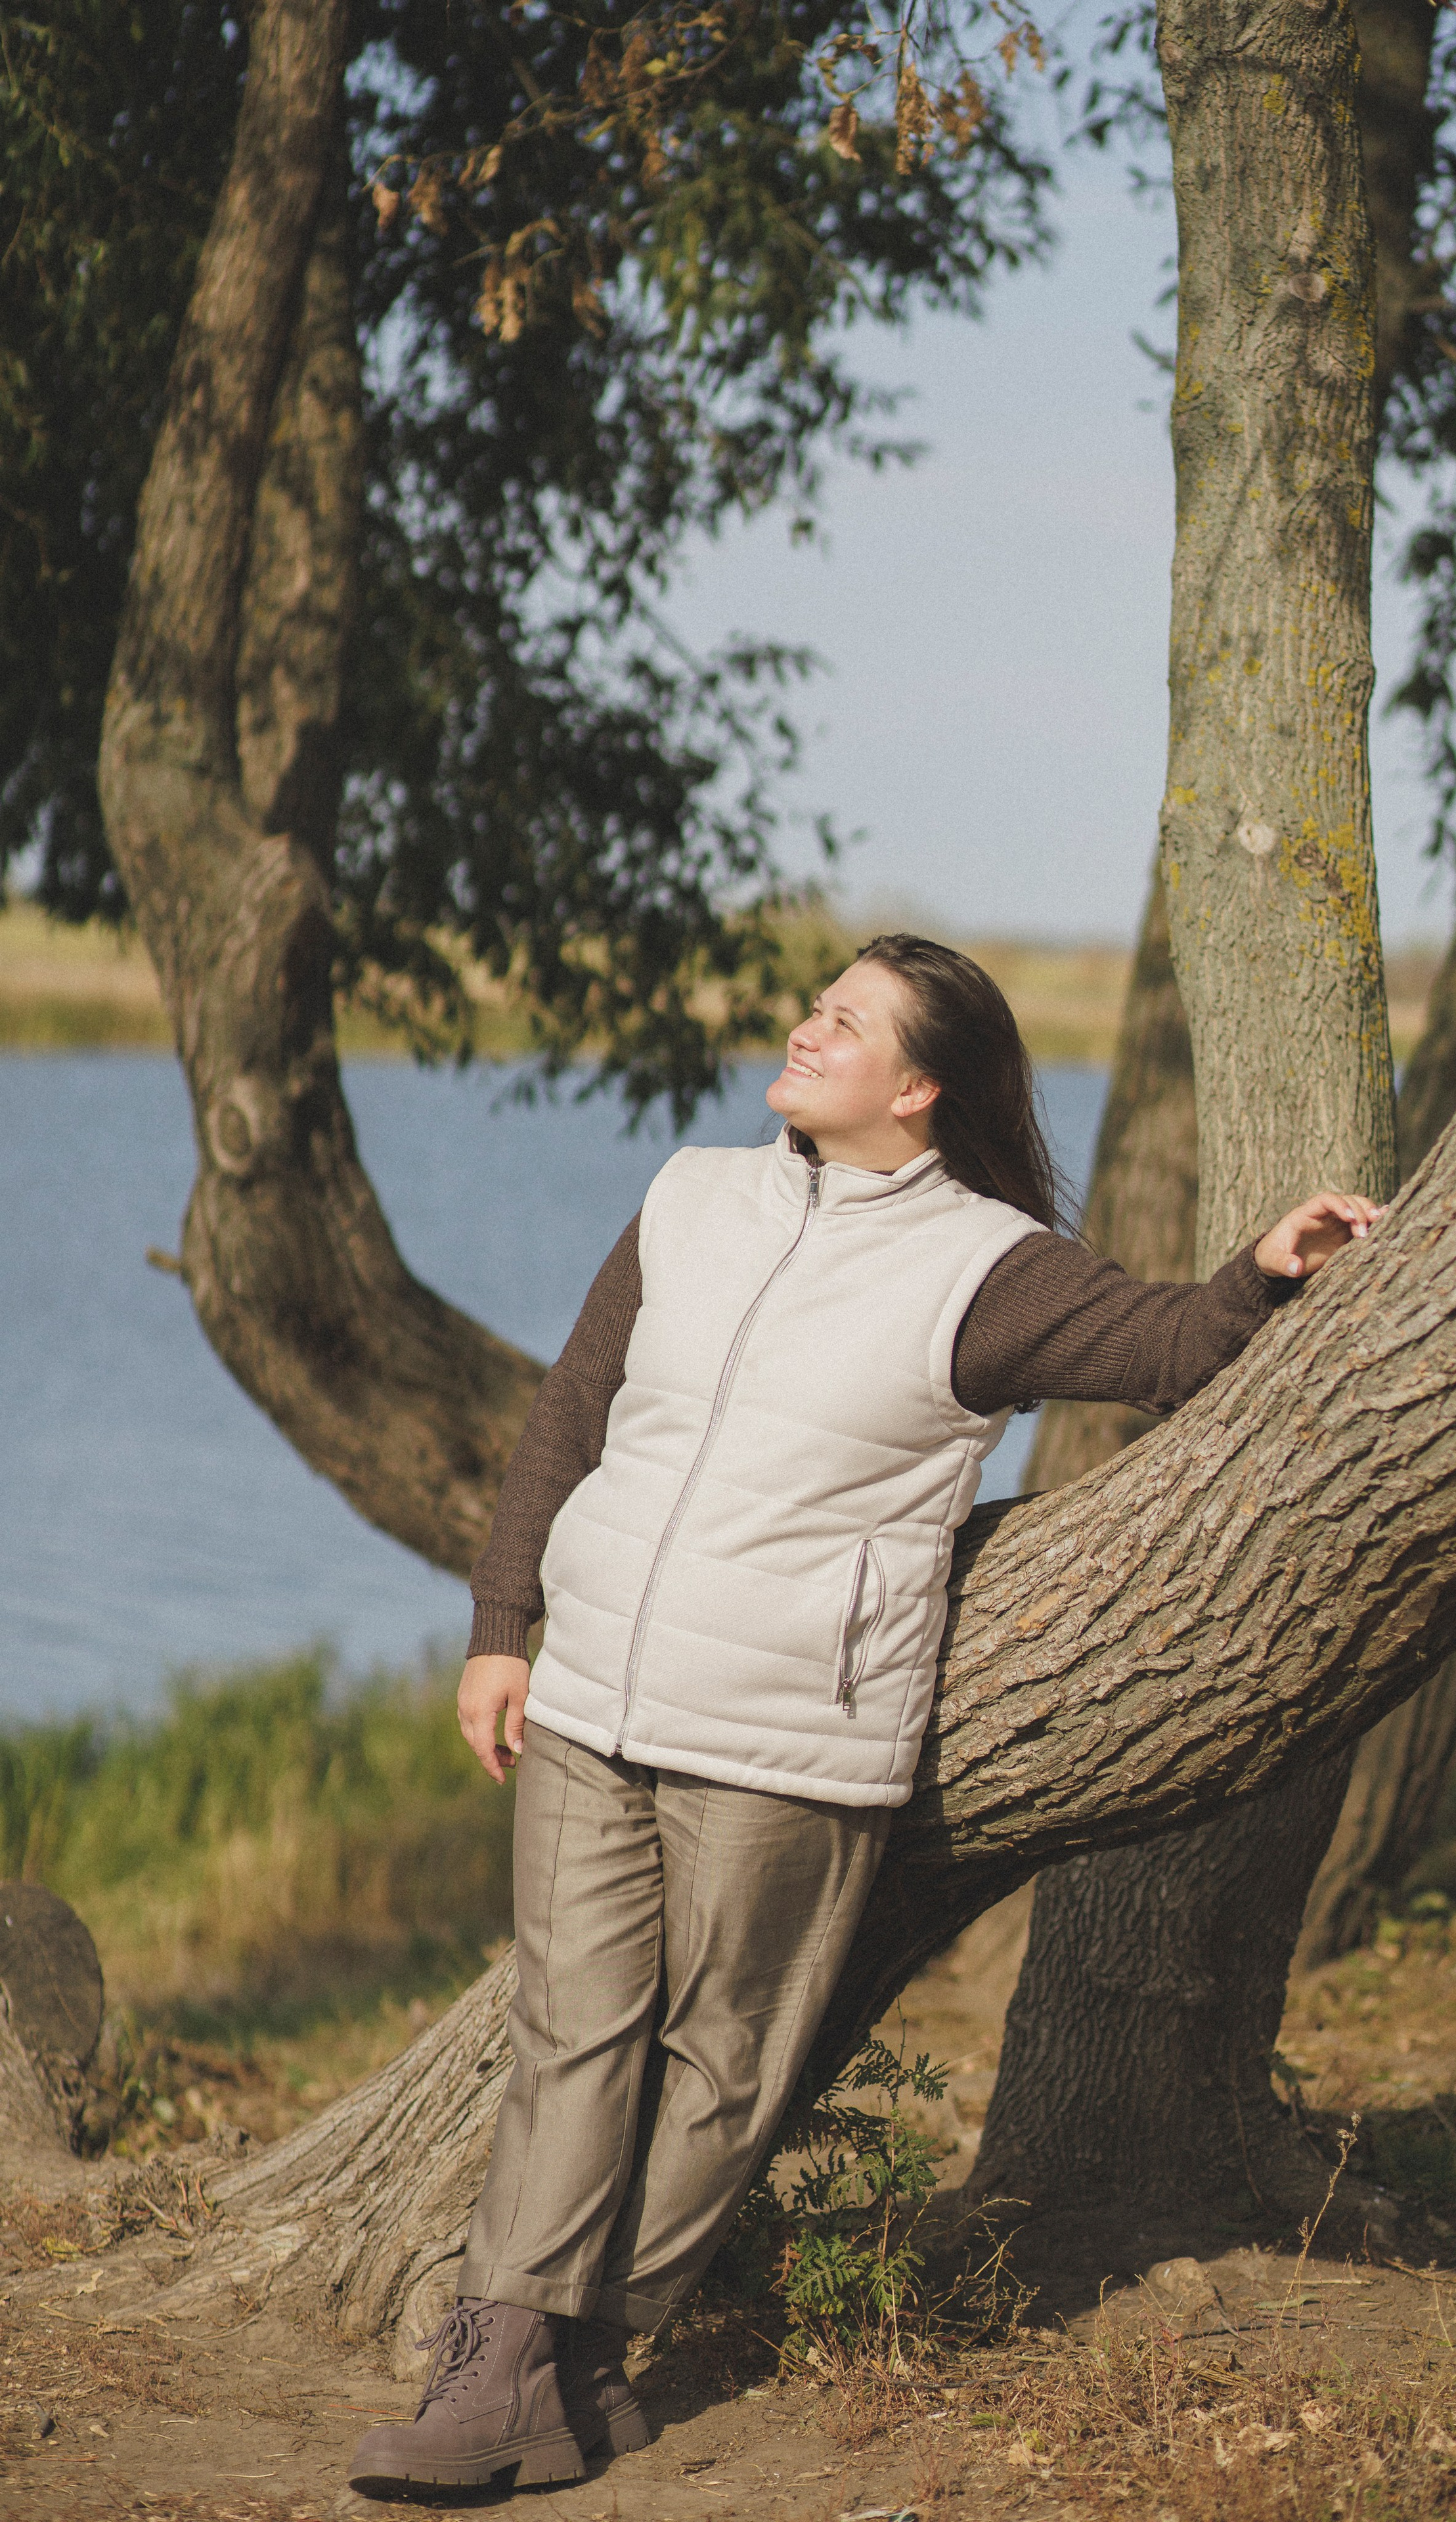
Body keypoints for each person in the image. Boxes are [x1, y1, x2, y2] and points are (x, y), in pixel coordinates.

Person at [349, 935, 1380, 2495]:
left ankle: (585, 2356)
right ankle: (496, 2363)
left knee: (725, 2061)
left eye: (846, 1019)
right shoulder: (690, 1198)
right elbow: (572, 1405)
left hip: (782, 1733)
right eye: (811, 1003)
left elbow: (1165, 1347)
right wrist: (504, 1627)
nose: (804, 1023)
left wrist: (1265, 1268)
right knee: (568, 2034)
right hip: (590, 1699)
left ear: (917, 1088)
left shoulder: (988, 1266)